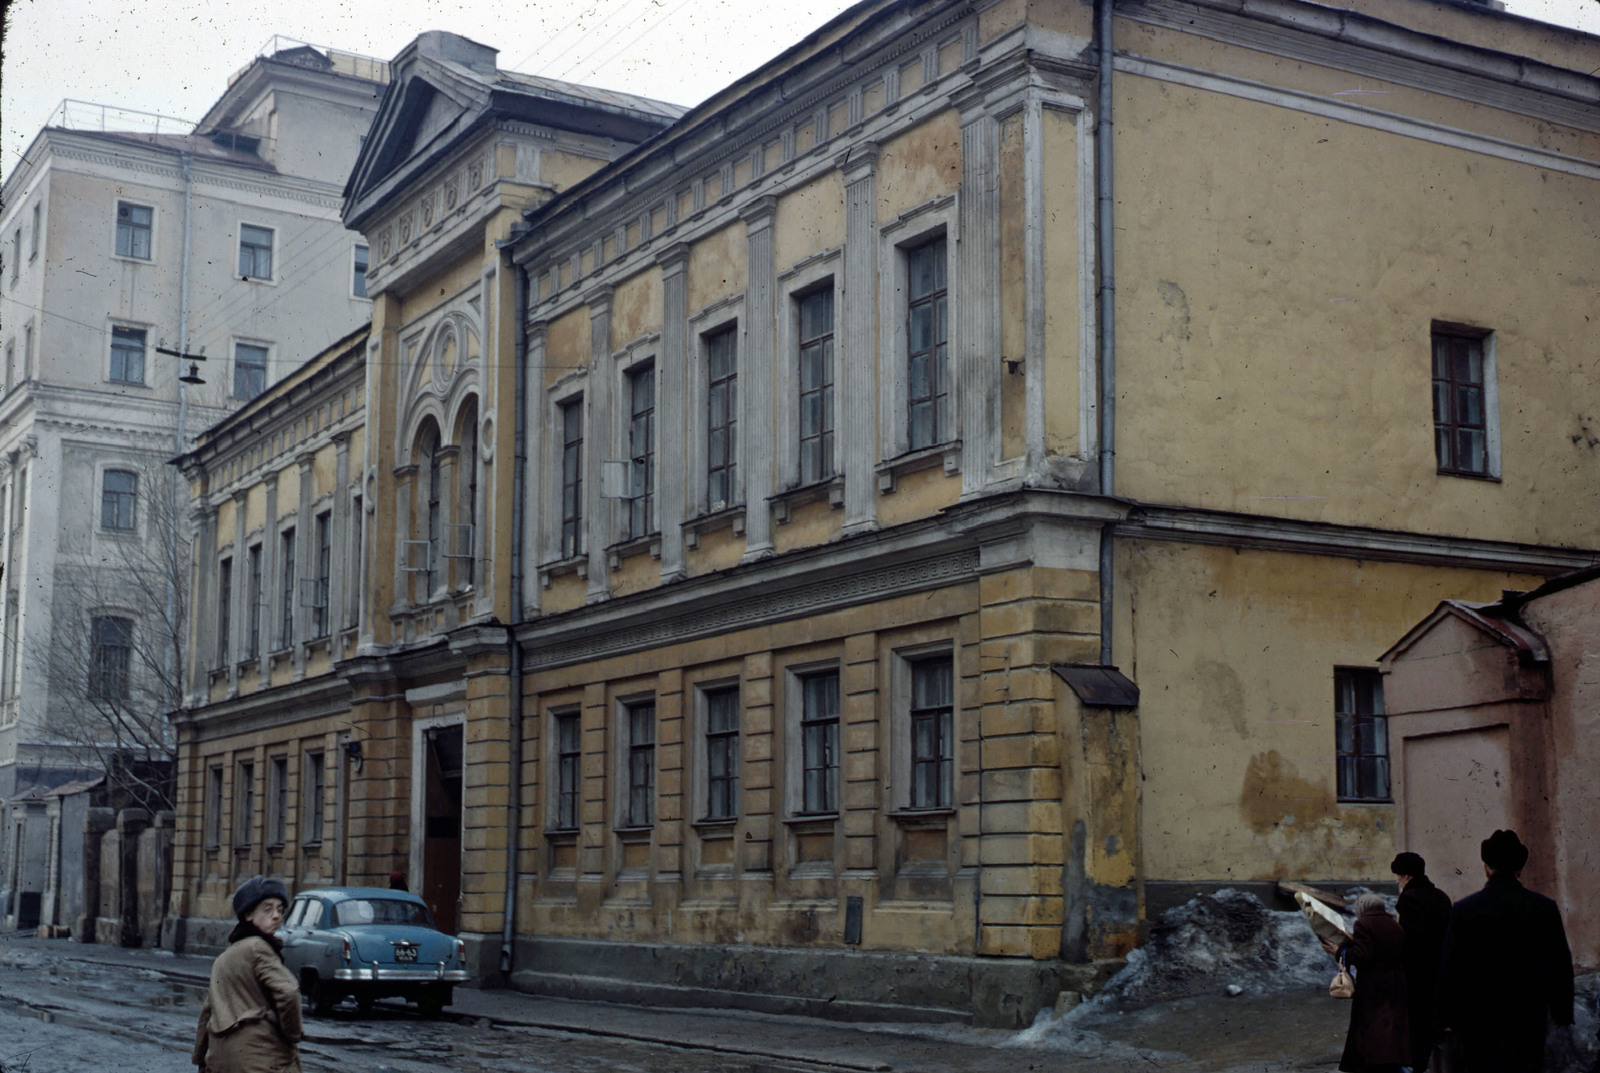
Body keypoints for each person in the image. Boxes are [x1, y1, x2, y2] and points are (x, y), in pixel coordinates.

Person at [1437, 829, 1574, 1073]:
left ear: (1486, 868)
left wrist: (1447, 1017)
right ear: (1519, 869)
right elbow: (1560, 964)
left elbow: (1450, 968)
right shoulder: (1544, 908)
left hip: (1478, 1018)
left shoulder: (1464, 910)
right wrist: (1561, 1013)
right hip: (1528, 1017)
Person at [193, 876, 303, 1073]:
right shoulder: (258, 948)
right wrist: (292, 1035)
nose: (276, 915)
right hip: (261, 1057)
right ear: (248, 915)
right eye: (267, 909)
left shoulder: (223, 958)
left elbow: (208, 1013)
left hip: (221, 1058)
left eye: (279, 909)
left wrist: (201, 1060)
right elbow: (288, 992)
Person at [1321, 892, 1409, 1073]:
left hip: (1373, 985)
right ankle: (1390, 1063)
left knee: (1371, 1027)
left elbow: (1362, 955)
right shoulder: (1394, 924)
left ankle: (1374, 1064)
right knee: (1389, 1026)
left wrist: (1338, 952)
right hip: (1396, 982)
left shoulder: (1363, 924)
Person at [1392, 851, 1452, 1071]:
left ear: (1406, 876)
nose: (1398, 881)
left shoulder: (1409, 899)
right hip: (1441, 974)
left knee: (1417, 1036)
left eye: (1398, 876)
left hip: (1417, 978)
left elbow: (1409, 943)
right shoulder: (1441, 896)